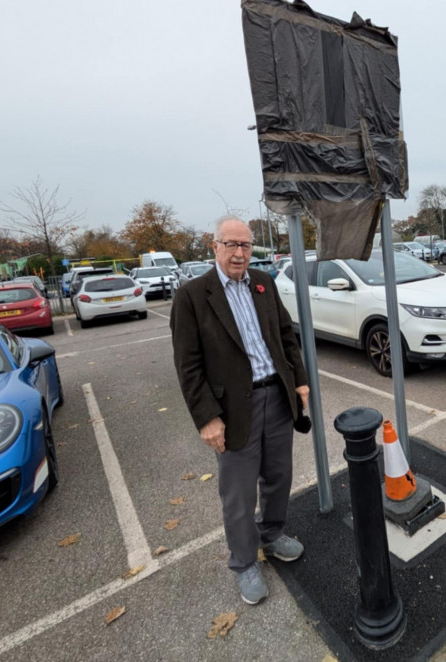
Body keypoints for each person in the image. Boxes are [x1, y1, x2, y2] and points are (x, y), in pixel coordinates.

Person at [170, 215, 310, 605]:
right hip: (232, 410)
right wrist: (206, 418)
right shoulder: (193, 296)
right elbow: (188, 365)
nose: (238, 252)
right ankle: (245, 562)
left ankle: (272, 533)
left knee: (279, 476)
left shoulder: (264, 284)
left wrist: (299, 380)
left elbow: (286, 336)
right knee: (238, 492)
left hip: (277, 398)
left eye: (245, 245)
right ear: (214, 246)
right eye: (230, 244)